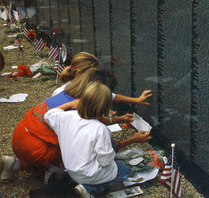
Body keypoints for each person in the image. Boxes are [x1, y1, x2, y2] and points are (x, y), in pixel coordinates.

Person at [0, 68, 151, 184]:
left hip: (20, 137)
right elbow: (102, 147)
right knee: (83, 148)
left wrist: (118, 118)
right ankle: (54, 172)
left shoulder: (68, 95)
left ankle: (16, 164)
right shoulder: (79, 111)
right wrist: (131, 140)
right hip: (37, 150)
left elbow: (92, 119)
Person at [44, 82, 133, 197]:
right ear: (105, 109)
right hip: (88, 173)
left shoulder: (66, 117)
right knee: (124, 170)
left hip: (71, 168)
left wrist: (70, 104)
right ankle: (89, 189)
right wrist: (112, 150)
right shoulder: (100, 128)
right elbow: (105, 160)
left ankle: (83, 183)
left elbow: (49, 115)